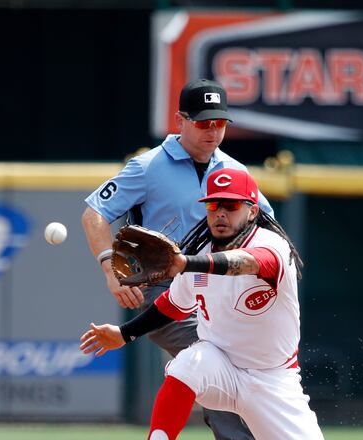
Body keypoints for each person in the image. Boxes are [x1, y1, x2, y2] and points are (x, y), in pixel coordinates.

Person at [81, 79, 272, 440]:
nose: (212, 130)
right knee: (214, 355)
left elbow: (267, 229)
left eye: (219, 123)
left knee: (238, 365)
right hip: (163, 290)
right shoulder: (147, 166)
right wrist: (109, 268)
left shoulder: (235, 172)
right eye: (202, 122)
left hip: (219, 294)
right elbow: (94, 213)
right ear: (180, 120)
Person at [80, 168, 323, 440]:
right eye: (213, 204)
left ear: (252, 211)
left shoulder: (272, 245)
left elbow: (248, 262)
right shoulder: (200, 252)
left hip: (272, 380)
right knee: (190, 362)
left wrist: (186, 263)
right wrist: (125, 334)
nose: (220, 213)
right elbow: (172, 305)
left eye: (231, 205)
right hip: (219, 366)